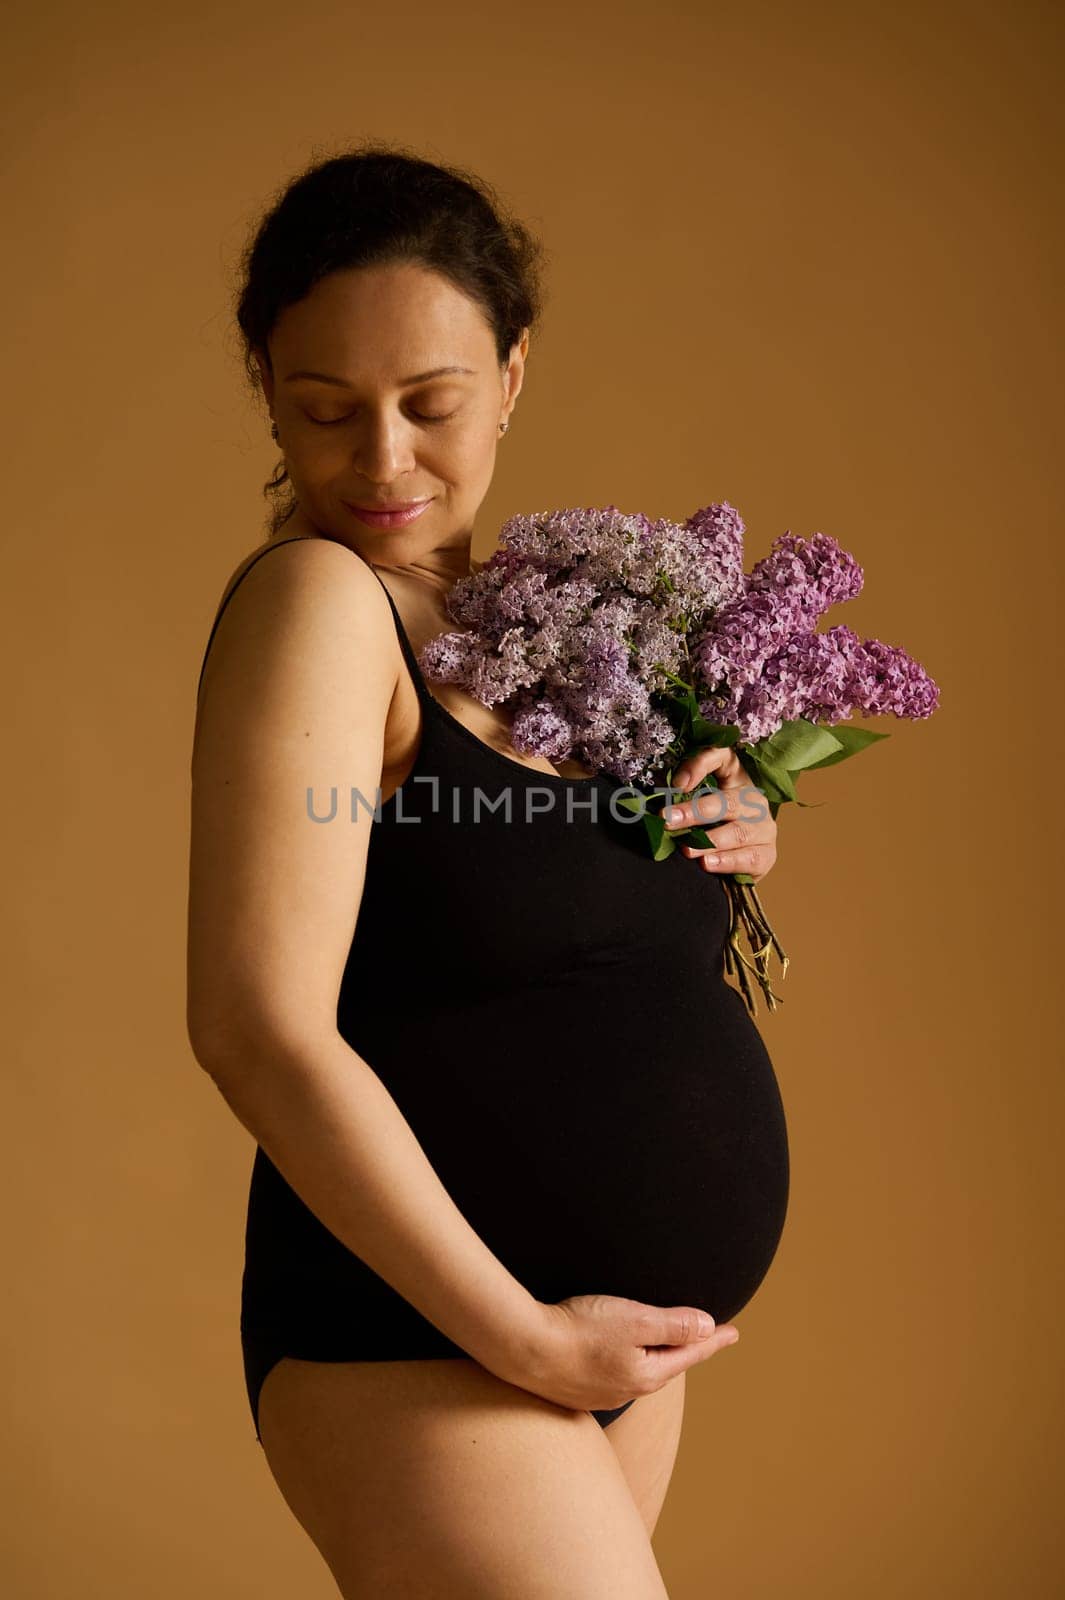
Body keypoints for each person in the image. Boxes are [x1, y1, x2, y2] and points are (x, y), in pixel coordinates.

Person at [187, 141, 789, 1599]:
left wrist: (725, 836)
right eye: (325, 408)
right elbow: (255, 1027)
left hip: (611, 1350)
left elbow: (556, 947)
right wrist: (521, 1339)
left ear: (513, 373)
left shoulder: (560, 633)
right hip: (431, 1336)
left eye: (431, 403)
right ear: (267, 385)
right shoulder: (320, 603)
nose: (381, 458)